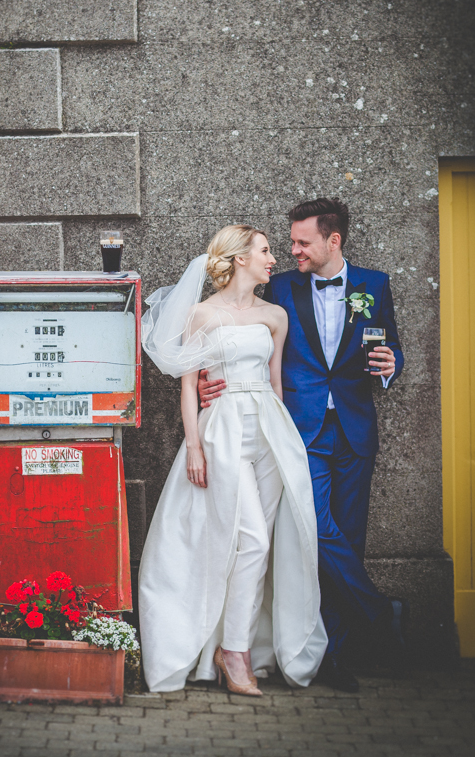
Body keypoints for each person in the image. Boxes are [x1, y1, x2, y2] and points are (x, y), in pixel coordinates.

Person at [199, 199, 406, 693]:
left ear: (334, 241)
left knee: (347, 538)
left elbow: (392, 344)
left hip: (355, 430)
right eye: (288, 243)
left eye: (302, 242)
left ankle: (332, 657)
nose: (293, 251)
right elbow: (236, 324)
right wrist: (208, 381)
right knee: (316, 532)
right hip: (298, 430)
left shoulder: (374, 285)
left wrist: (389, 364)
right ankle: (379, 613)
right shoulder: (283, 287)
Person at [139, 225, 327, 696]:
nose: (273, 259)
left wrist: (284, 439)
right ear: (240, 257)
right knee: (253, 542)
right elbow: (187, 386)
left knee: (258, 547)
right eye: (265, 251)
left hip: (269, 431)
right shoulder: (201, 314)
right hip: (222, 431)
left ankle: (234, 644)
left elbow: (276, 381)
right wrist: (195, 446)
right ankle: (234, 653)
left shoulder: (276, 316)